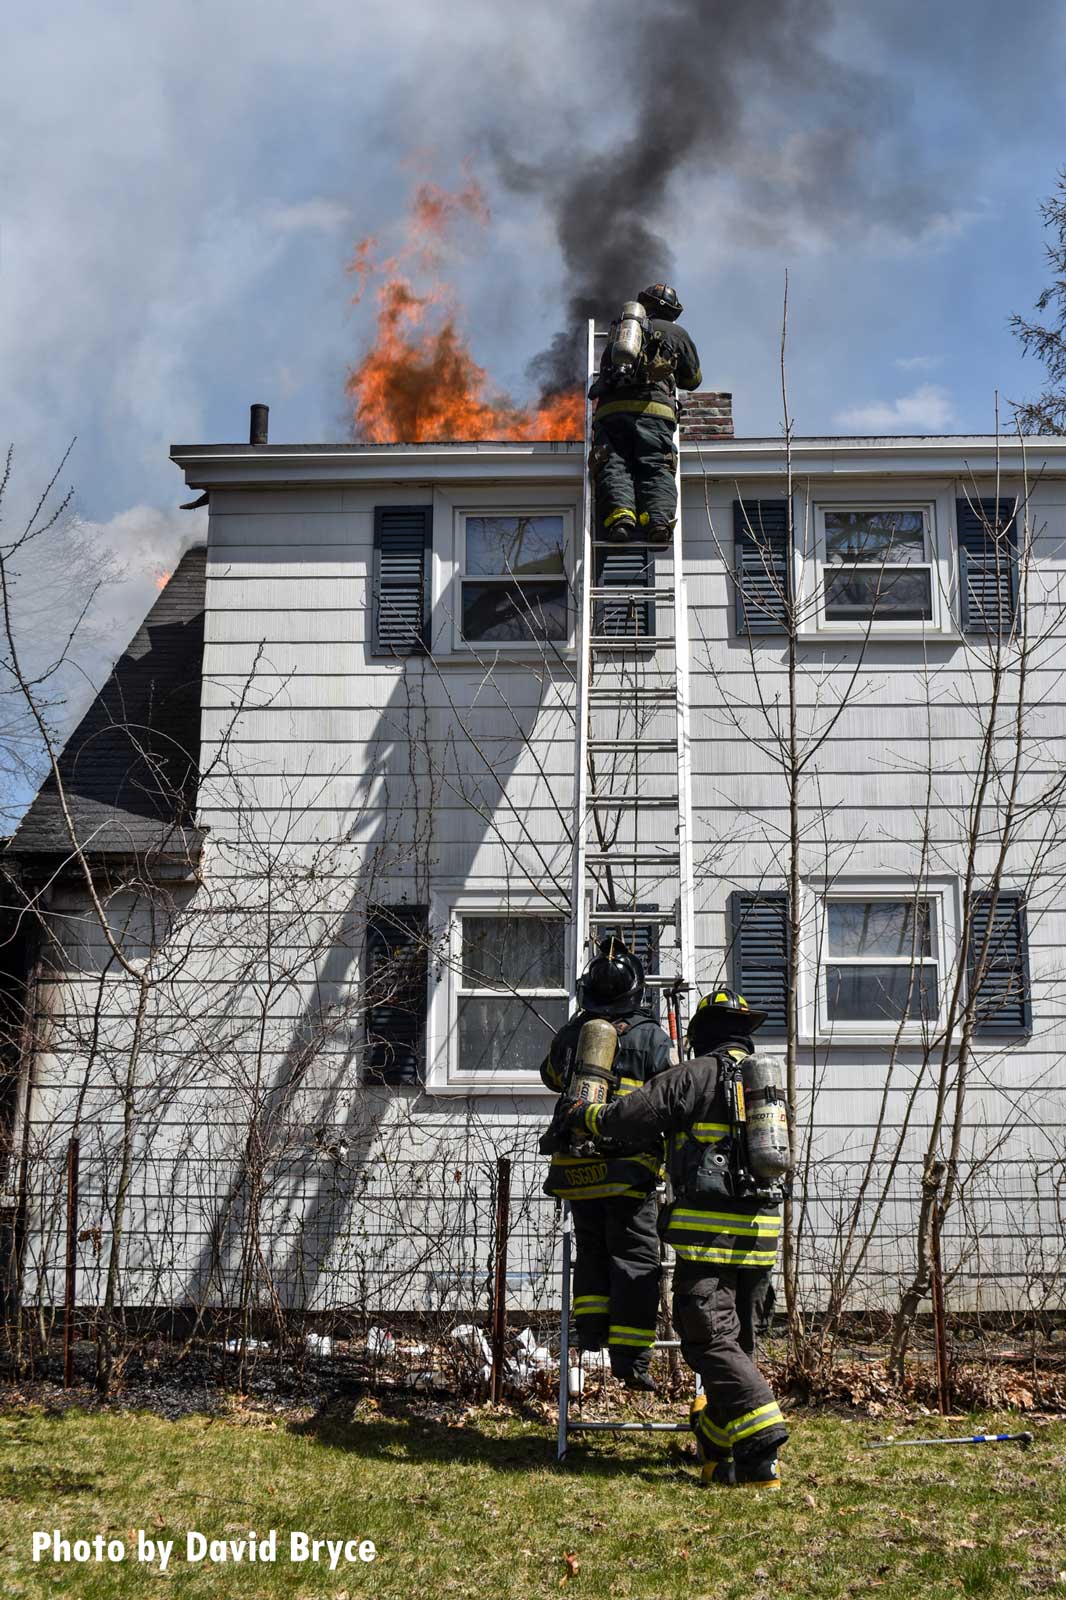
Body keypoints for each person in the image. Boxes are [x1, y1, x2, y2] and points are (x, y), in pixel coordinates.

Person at [547, 987, 788, 1487]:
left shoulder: (693, 1076)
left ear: (701, 1035)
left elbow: (627, 1117)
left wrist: (583, 1115)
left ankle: (763, 1436)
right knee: (737, 1345)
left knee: (708, 1339)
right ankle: (727, 1447)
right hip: (761, 1238)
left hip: (708, 1238)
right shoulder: (767, 1085)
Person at [539, 940, 675, 1390]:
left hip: (578, 1170)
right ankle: (631, 1359)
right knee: (635, 1259)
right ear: (637, 991)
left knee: (592, 1252)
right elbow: (670, 1093)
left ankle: (592, 1331)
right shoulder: (652, 1037)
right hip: (628, 1172)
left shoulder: (575, 1033)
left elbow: (550, 1076)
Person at [588, 284, 702, 546]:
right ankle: (658, 523)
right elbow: (693, 380)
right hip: (655, 412)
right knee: (656, 466)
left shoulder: (621, 332)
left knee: (613, 463)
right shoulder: (677, 333)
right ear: (672, 311)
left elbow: (606, 369)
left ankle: (620, 519)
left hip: (612, 411)